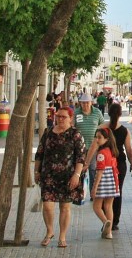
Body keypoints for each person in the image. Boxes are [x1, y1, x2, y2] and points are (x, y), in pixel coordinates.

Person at [34, 106, 85, 249]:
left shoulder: (75, 134)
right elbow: (40, 153)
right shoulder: (48, 132)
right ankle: (50, 231)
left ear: (70, 118)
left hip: (67, 176)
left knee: (65, 207)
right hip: (48, 175)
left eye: (64, 117)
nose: (60, 119)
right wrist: (36, 171)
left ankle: (62, 236)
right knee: (47, 205)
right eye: (58, 116)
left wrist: (76, 175)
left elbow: (81, 157)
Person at [105, 102, 132, 230]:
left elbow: (95, 147)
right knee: (117, 192)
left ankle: (107, 219)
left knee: (105, 193)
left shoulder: (103, 129)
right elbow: (128, 150)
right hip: (119, 164)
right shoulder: (124, 131)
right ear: (119, 114)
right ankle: (114, 221)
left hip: (105, 164)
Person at [74, 92, 104, 202]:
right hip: (79, 147)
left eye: (87, 103)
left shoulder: (97, 112)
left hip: (94, 147)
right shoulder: (76, 113)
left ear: (91, 103)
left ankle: (92, 193)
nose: (85, 105)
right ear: (80, 103)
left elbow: (102, 126)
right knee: (79, 170)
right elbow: (72, 127)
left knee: (93, 170)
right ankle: (79, 194)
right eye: (83, 103)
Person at [91, 126, 120, 239]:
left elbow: (99, 171)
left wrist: (94, 187)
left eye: (99, 137)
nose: (97, 140)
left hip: (103, 180)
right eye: (96, 137)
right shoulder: (112, 151)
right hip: (112, 179)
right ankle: (109, 233)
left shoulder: (101, 153)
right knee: (109, 206)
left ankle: (105, 222)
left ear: (106, 139)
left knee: (96, 206)